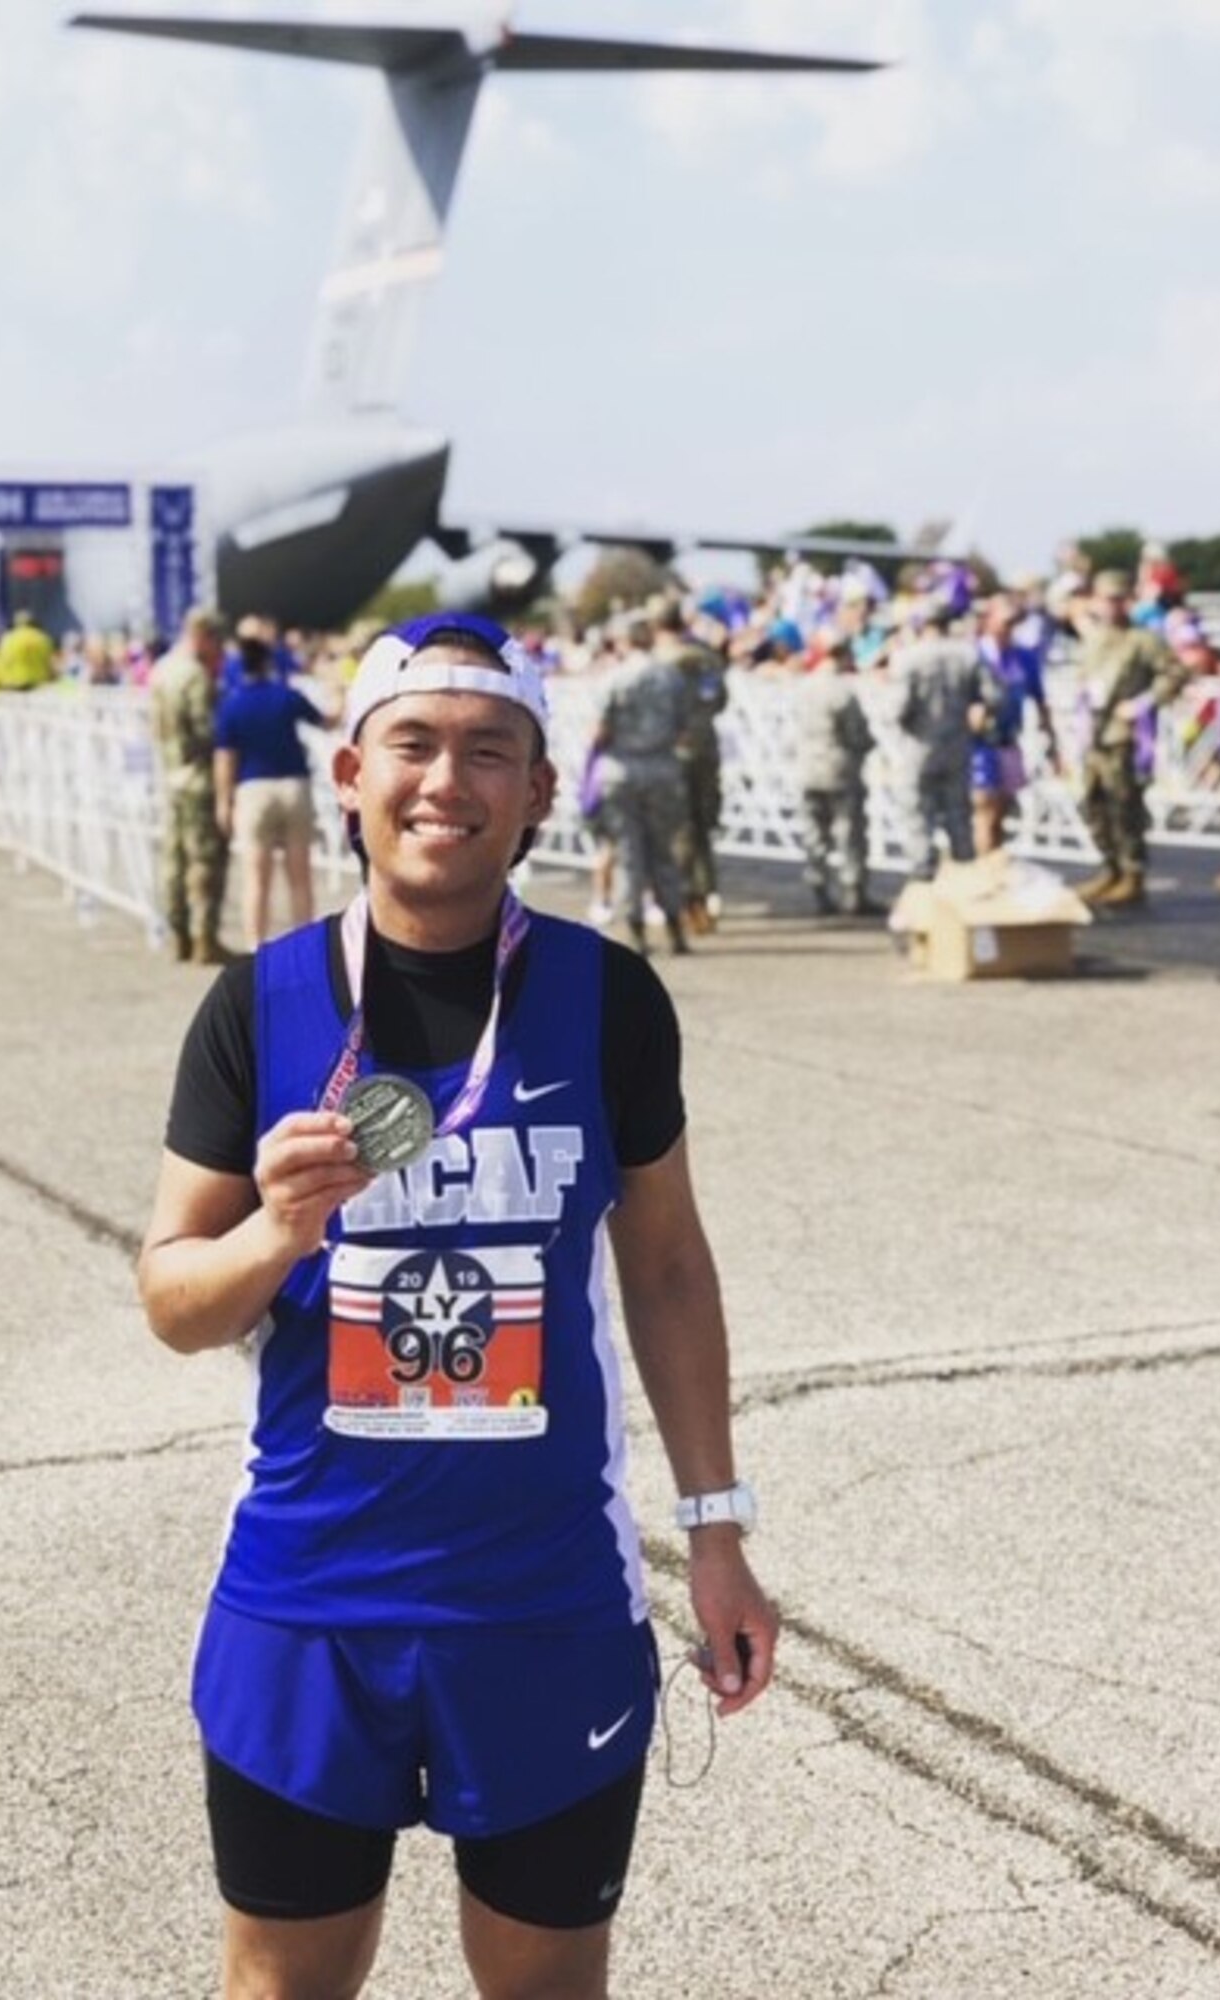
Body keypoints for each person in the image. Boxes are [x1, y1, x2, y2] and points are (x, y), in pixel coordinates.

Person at [137, 611, 777, 2000]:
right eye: (412, 745)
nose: (447, 781)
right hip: (309, 1599)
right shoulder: (261, 1004)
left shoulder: (608, 998)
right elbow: (174, 1302)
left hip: (542, 1599)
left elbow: (664, 1267)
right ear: (350, 775)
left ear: (541, 789)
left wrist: (715, 1535)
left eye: (490, 750)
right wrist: (277, 1229)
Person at [213, 615, 333, 947]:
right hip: (294, 786)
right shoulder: (285, 695)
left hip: (253, 789)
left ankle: (255, 948)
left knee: (256, 878)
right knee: (300, 876)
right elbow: (326, 720)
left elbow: (225, 757)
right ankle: (305, 943)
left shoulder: (232, 705)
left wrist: (224, 801)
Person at [1073, 570, 1189, 909]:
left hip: (1124, 735)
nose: (1111, 606)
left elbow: (1176, 673)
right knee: (1094, 804)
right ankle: (1109, 868)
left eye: (1117, 599)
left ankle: (1132, 873)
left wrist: (1143, 703)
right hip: (1094, 733)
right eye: (1106, 598)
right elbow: (1085, 684)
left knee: (1125, 805)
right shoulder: (1094, 639)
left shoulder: (1143, 640)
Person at [591, 612, 692, 955]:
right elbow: (684, 729)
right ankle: (676, 928)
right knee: (664, 851)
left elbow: (600, 731)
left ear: (623, 641)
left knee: (628, 853)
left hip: (622, 770)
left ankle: (635, 932)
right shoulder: (671, 677)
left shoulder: (614, 678)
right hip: (662, 769)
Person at [149, 605, 233, 965]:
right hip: (198, 776)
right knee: (205, 859)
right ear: (204, 637)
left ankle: (177, 935)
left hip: (170, 774)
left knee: (174, 858)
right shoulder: (196, 676)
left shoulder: (162, 669)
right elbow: (207, 730)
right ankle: (204, 937)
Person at [887, 603, 985, 879]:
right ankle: (965, 875)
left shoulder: (908, 658)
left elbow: (898, 708)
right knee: (958, 814)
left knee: (918, 814)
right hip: (957, 745)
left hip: (920, 745)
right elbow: (991, 696)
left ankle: (924, 876)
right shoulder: (968, 655)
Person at [654, 600, 728, 936]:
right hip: (706, 748)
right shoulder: (708, 658)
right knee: (703, 824)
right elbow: (722, 700)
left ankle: (685, 902)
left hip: (674, 751)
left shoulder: (660, 664)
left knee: (677, 829)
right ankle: (708, 893)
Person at [794, 632, 879, 915]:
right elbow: (857, 734)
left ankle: (819, 888)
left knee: (814, 832)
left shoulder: (803, 687)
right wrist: (866, 745)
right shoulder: (843, 691)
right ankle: (854, 891)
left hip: (807, 767)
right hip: (839, 768)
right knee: (849, 833)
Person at [970, 594, 1061, 855]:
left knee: (1001, 811)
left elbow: (1040, 700)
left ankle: (993, 863)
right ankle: (982, 873)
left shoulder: (1024, 658)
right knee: (983, 808)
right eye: (1005, 622)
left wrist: (1052, 742)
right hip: (977, 745)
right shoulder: (973, 655)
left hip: (1008, 740)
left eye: (1014, 623)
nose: (1008, 629)